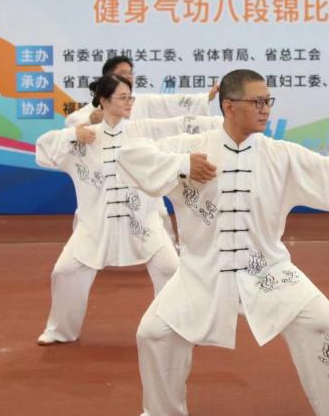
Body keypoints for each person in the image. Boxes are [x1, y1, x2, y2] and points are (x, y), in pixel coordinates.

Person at [115, 69, 329, 416]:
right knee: (153, 333)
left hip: (267, 270)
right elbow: (129, 153)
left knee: (325, 324)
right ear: (229, 107)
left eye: (268, 101)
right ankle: (162, 413)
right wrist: (182, 165)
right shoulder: (191, 147)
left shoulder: (281, 156)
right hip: (201, 273)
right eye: (258, 102)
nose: (266, 108)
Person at [34, 74, 222, 345]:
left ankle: (176, 326)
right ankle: (60, 330)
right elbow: (43, 148)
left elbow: (178, 124)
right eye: (122, 97)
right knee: (65, 272)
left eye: (130, 97)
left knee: (171, 268)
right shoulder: (85, 138)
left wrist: (223, 124)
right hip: (95, 225)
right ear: (103, 100)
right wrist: (73, 134)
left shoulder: (141, 131)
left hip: (143, 221)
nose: (129, 102)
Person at [64, 55, 217, 128]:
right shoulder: (100, 103)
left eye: (130, 73)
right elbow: (71, 122)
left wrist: (205, 98)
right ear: (108, 77)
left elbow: (170, 103)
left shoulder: (141, 100)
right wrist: (90, 120)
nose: (128, 77)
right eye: (123, 73)